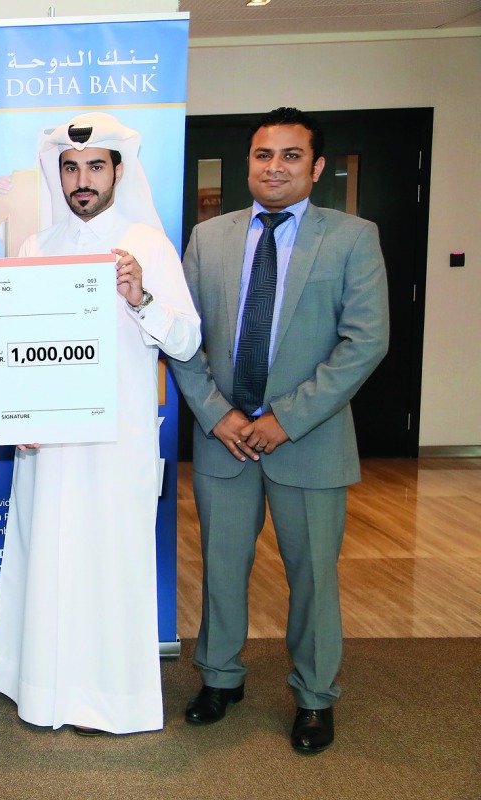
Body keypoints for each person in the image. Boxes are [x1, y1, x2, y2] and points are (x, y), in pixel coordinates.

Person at [169, 107, 388, 754]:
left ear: (316, 167)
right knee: (221, 569)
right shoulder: (209, 239)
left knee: (313, 576)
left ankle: (316, 696)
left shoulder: (351, 237)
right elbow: (184, 341)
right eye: (264, 155)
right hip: (225, 440)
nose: (275, 167)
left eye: (291, 156)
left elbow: (365, 341)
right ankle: (220, 678)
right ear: (249, 164)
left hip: (309, 442)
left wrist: (285, 420)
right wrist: (218, 414)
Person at [0, 112, 201, 735]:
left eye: (95, 167)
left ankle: (111, 699)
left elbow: (186, 342)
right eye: (71, 168)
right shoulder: (35, 248)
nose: (82, 180)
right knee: (47, 552)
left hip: (116, 439)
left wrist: (140, 297)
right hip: (48, 444)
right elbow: (14, 343)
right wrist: (15, 412)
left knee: (108, 562)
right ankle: (43, 690)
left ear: (117, 172)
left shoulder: (148, 245)